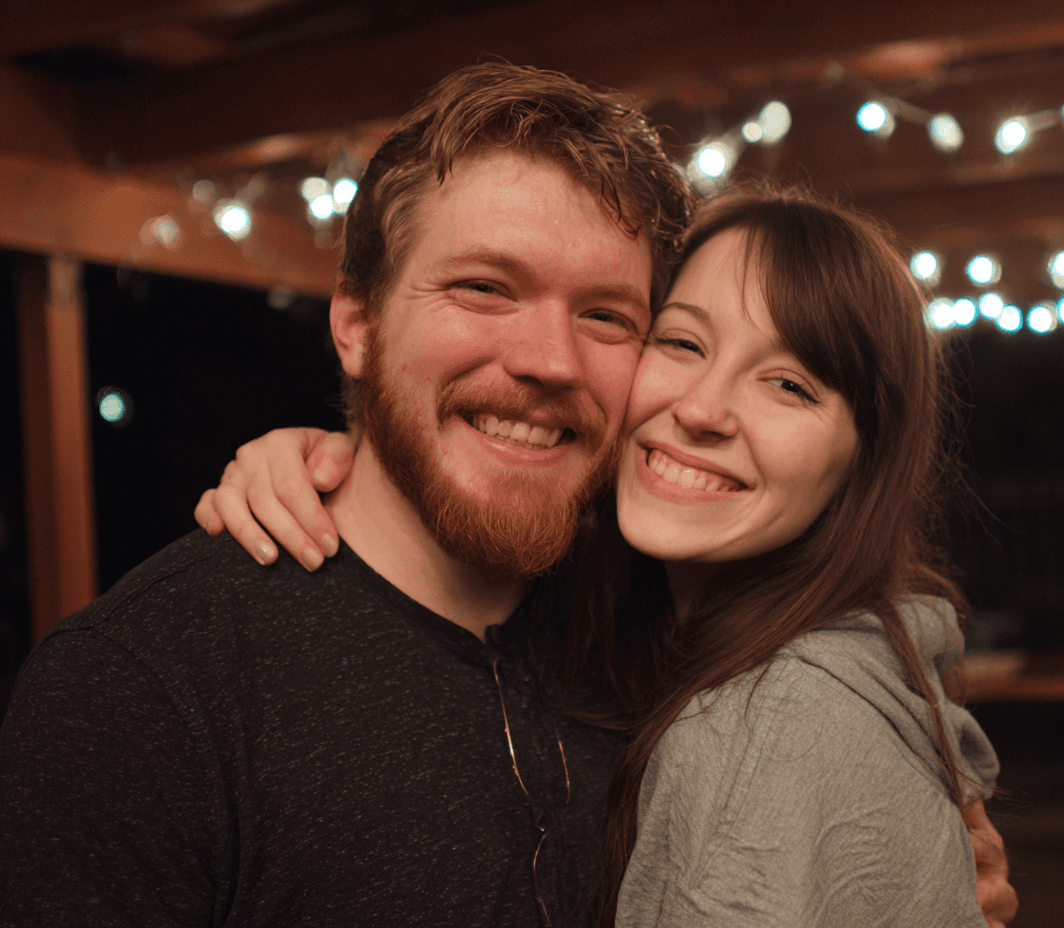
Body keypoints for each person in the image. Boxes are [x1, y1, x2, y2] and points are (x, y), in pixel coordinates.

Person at [194, 187, 1018, 927]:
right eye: (682, 343)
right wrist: (354, 461)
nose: (702, 409)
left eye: (789, 385)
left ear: (865, 461)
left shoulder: (765, 727)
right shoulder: (639, 624)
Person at [0, 62, 692, 927]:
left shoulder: (660, 630)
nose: (552, 360)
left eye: (607, 316)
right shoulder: (142, 689)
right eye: (483, 288)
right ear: (356, 324)